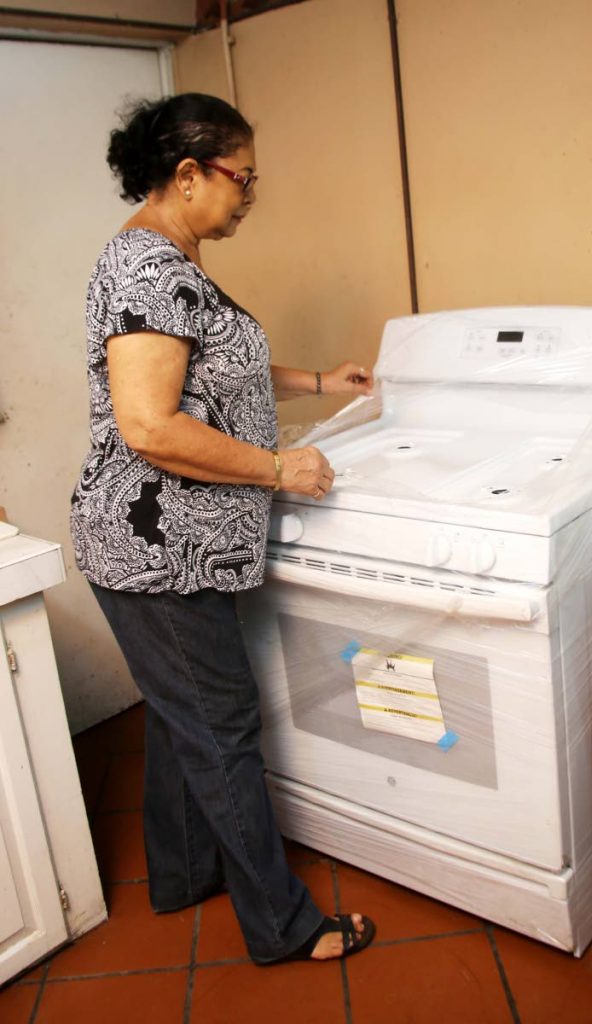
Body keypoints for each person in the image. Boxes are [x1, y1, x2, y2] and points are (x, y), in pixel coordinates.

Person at [70, 92, 376, 965]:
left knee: (180, 719)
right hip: (154, 548)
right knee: (222, 726)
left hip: (180, 543)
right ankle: (281, 926)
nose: (249, 195)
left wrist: (319, 379)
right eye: (242, 177)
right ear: (189, 173)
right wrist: (281, 468)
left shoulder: (173, 262)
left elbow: (215, 367)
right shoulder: (145, 269)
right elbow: (151, 426)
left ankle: (178, 875)